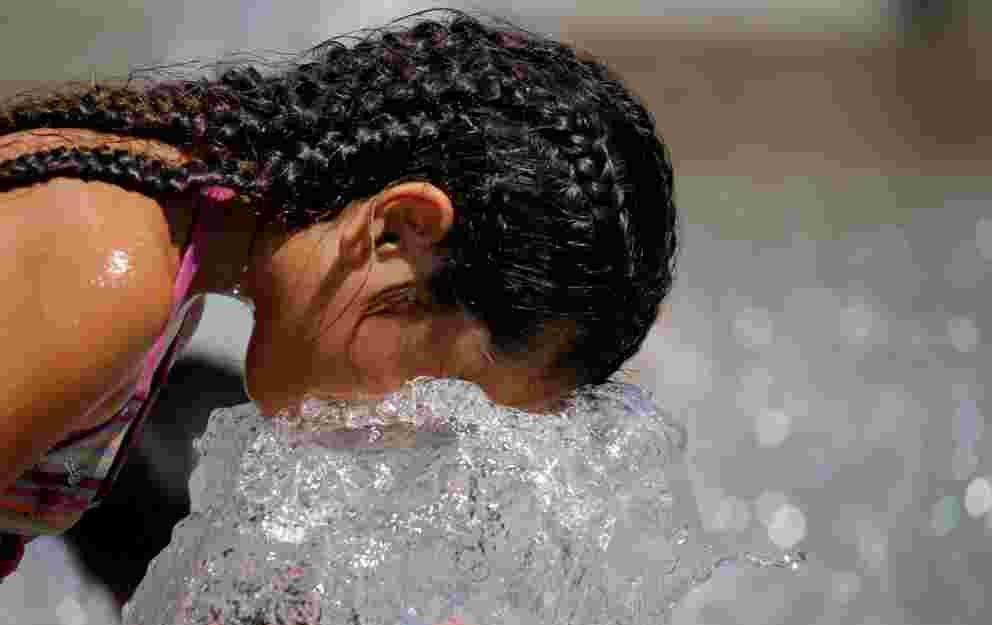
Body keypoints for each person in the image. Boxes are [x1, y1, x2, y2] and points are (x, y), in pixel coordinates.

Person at [0, 9, 677, 583]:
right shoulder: (109, 274)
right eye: (442, 397)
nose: (398, 437)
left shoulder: (155, 261)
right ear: (399, 231)